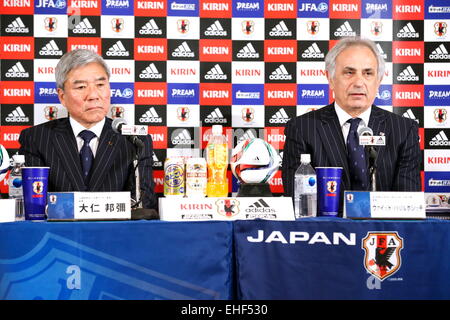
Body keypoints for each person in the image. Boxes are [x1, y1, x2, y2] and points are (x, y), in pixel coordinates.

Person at [282, 37, 421, 213]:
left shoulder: (403, 130)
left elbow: (407, 205)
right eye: (349, 72)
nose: (358, 82)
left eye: (368, 73)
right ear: (330, 78)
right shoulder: (302, 128)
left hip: (382, 234)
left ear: (378, 80)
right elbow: (298, 203)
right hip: (326, 235)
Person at [19, 49, 157, 210]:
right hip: (59, 233)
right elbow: (35, 204)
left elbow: (144, 205)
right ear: (62, 96)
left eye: (100, 85)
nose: (93, 95)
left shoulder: (134, 140)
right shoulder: (37, 138)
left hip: (117, 233)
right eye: (81, 87)